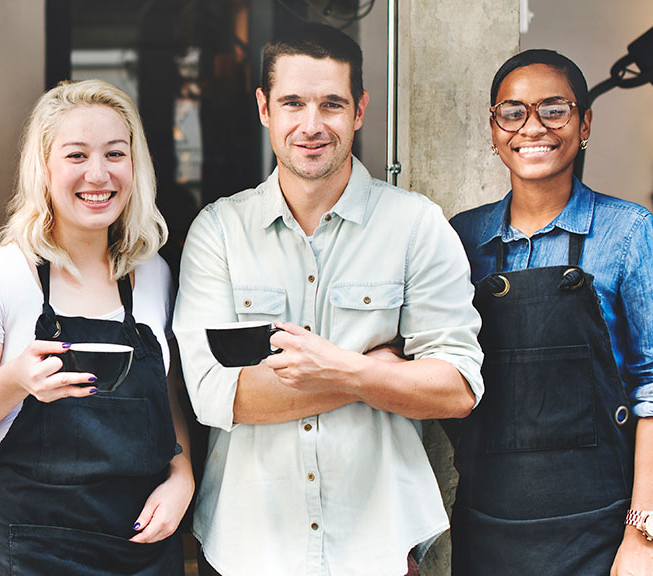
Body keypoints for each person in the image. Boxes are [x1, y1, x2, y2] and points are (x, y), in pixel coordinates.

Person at [172, 23, 484, 576]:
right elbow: (214, 395)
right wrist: (367, 372)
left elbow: (456, 387)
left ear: (360, 110)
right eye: (293, 103)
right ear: (264, 108)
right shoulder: (218, 231)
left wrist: (332, 369)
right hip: (249, 546)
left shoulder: (416, 226)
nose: (311, 126)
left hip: (381, 546)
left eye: (332, 104)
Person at [449, 49, 653, 576]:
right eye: (512, 112)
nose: (531, 127)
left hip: (603, 533)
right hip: (485, 528)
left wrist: (642, 537)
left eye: (553, 109)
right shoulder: (460, 239)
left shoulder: (630, 233)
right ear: (495, 130)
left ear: (584, 124)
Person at [0, 79, 194, 575]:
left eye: (115, 154)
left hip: (141, 542)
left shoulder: (153, 272)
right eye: (76, 155)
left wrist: (182, 473)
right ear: (44, 168)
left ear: (134, 165)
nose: (98, 175)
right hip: (32, 548)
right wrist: (16, 380)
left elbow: (165, 390)